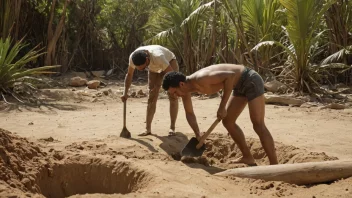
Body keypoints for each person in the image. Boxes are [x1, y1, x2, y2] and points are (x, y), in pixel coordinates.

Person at [162, 64, 278, 165]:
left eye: (175, 92)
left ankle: (274, 165)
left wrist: (222, 106)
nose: (176, 96)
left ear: (181, 84)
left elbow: (230, 76)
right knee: (228, 121)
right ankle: (247, 157)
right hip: (238, 86)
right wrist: (197, 134)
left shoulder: (201, 78)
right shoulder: (186, 91)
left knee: (258, 124)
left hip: (250, 79)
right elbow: (189, 113)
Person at [121, 45, 179, 136]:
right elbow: (129, 75)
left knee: (172, 95)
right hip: (154, 69)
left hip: (169, 63)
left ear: (147, 59)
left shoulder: (158, 57)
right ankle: (147, 129)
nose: (142, 70)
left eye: (143, 68)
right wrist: (125, 93)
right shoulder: (133, 58)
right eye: (139, 69)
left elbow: (171, 75)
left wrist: (160, 86)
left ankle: (172, 128)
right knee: (151, 97)